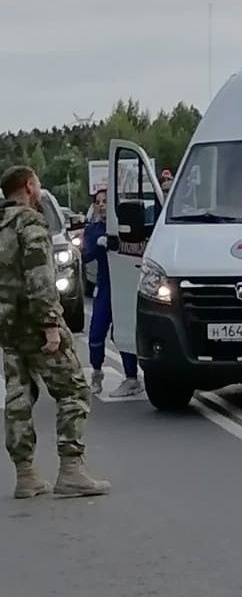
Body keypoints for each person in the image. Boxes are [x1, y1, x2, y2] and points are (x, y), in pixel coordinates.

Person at [0, 166, 111, 498]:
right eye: (37, 183)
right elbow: (40, 277)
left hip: (8, 326)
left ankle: (25, 475)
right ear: (29, 186)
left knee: (18, 397)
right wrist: (50, 325)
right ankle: (71, 470)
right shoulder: (30, 223)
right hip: (35, 323)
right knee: (74, 390)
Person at [80, 188, 142, 397]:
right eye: (98, 202)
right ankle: (97, 374)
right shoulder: (93, 229)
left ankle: (132, 378)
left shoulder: (125, 227)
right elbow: (85, 256)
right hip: (105, 285)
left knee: (121, 332)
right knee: (96, 331)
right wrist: (99, 245)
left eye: (105, 201)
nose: (102, 205)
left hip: (124, 284)